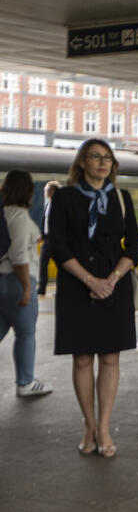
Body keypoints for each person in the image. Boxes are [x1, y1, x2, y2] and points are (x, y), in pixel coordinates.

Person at [50, 139, 138, 458]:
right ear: (82, 162)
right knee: (83, 359)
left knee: (111, 358)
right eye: (95, 157)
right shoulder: (64, 197)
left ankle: (103, 427)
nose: (102, 162)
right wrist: (91, 281)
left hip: (114, 287)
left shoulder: (121, 198)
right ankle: (88, 424)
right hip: (77, 286)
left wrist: (111, 280)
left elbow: (133, 247)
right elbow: (58, 246)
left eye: (107, 158)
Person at [0, 170, 52, 397]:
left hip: (2, 280)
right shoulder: (20, 217)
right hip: (18, 281)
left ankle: (26, 381)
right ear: (27, 191)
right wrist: (27, 288)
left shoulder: (3, 213)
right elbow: (19, 256)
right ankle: (26, 382)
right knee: (25, 333)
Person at [37, 181, 60, 296]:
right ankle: (42, 288)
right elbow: (44, 221)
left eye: (46, 189)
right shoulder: (48, 204)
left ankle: (60, 290)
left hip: (57, 240)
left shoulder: (60, 205)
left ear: (53, 191)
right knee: (43, 264)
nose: (45, 191)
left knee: (61, 266)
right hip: (46, 240)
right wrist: (42, 234)